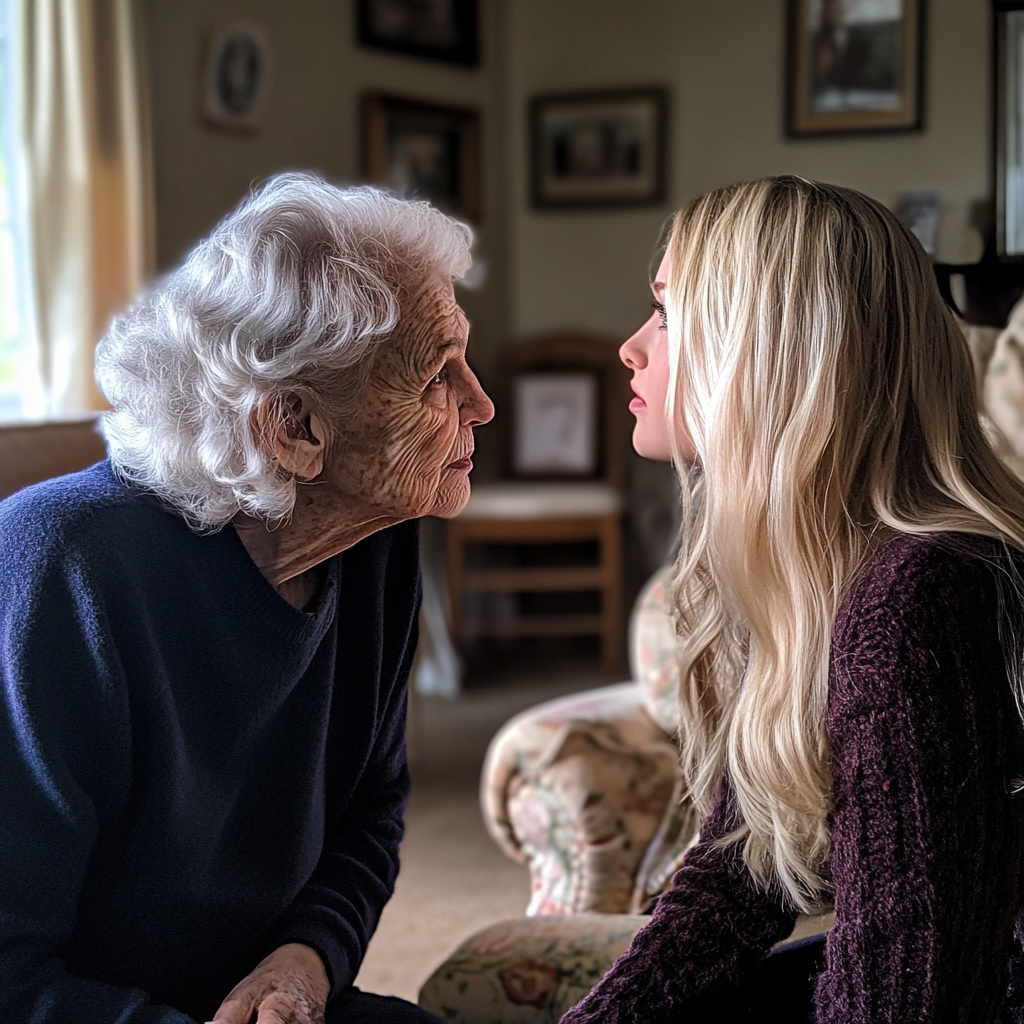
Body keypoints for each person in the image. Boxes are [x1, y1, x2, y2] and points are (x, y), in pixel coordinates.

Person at [0, 173, 493, 1024]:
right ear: (294, 427)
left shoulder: (374, 537)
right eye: (434, 377)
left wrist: (304, 963)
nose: (481, 403)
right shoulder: (63, 571)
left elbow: (372, 812)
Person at [562, 175, 1024, 1022]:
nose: (631, 347)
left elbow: (909, 1003)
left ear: (767, 347)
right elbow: (741, 873)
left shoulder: (917, 604)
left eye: (666, 314)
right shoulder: (824, 572)